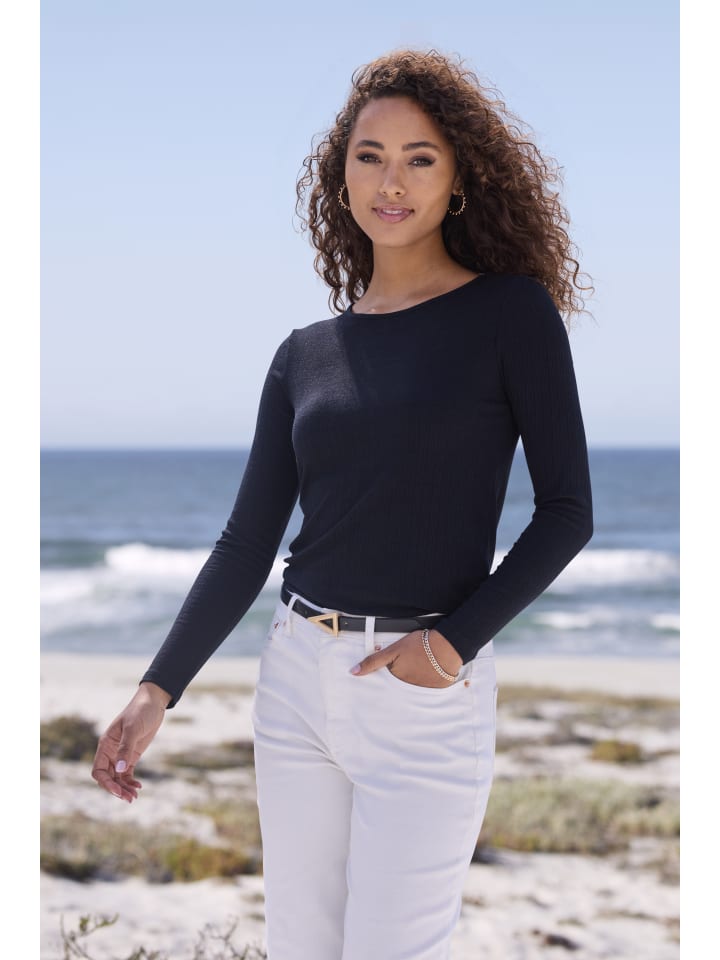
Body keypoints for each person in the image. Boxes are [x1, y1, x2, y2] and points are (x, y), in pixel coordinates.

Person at [92, 47, 594, 960]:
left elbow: (567, 511)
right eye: (370, 156)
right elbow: (247, 541)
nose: (391, 181)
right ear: (342, 176)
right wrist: (157, 688)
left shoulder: (509, 315)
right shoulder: (304, 354)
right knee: (301, 946)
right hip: (295, 680)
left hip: (422, 688)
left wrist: (449, 647)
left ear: (459, 180)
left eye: (420, 158)